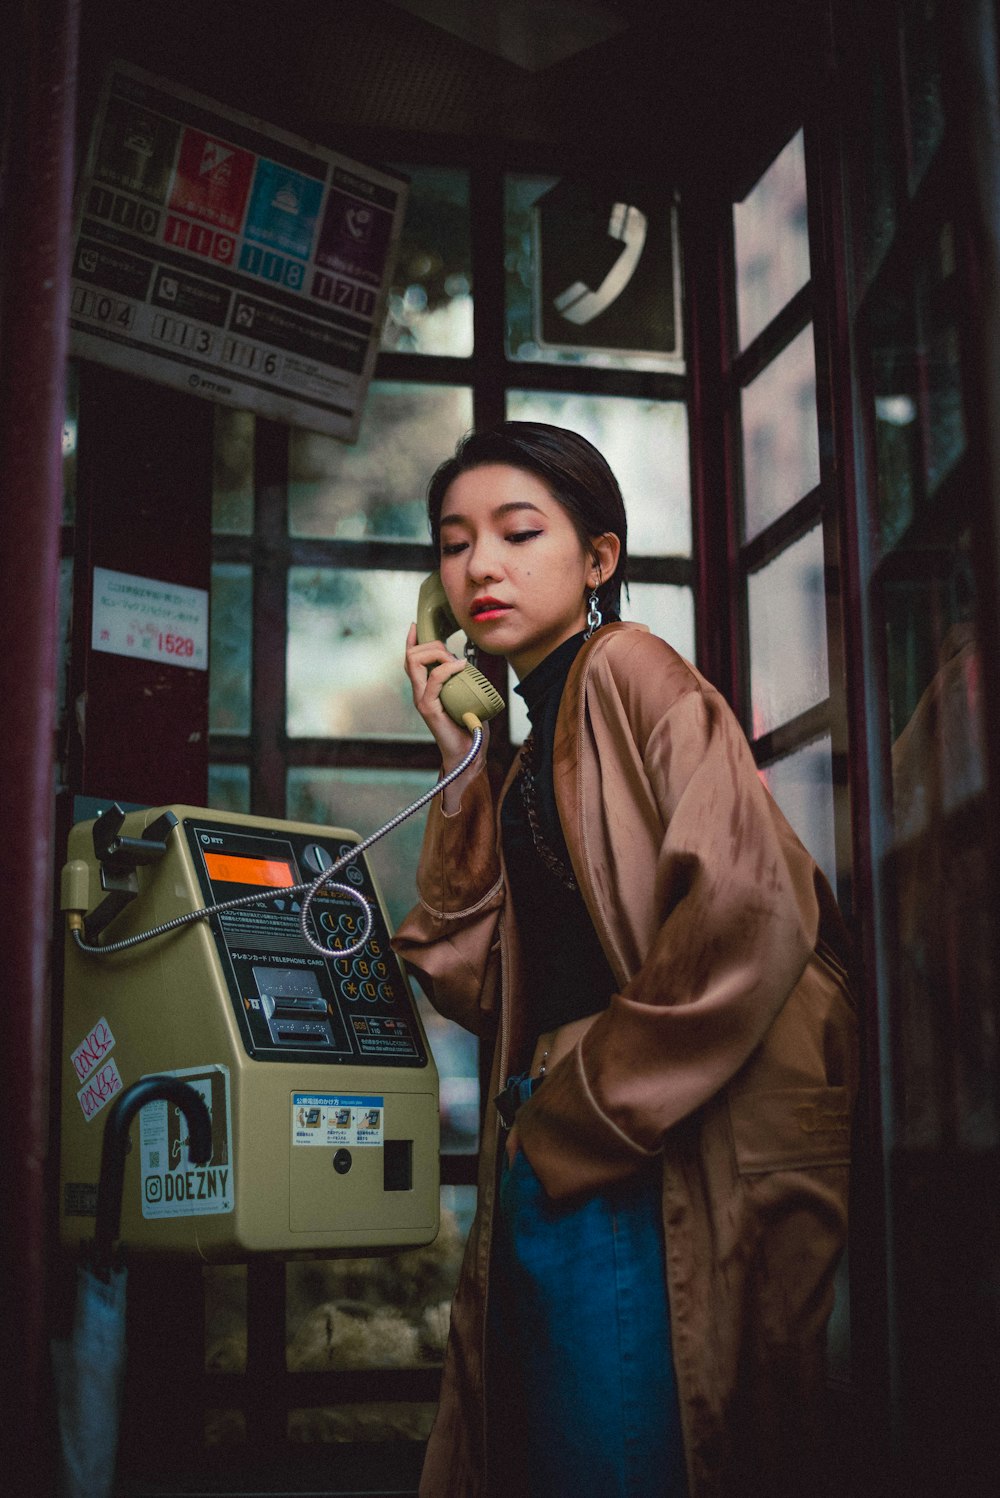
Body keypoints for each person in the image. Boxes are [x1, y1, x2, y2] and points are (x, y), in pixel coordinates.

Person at [393, 421, 858, 1498]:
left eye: (517, 532)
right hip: (564, 1131)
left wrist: (593, 1097)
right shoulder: (521, 745)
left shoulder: (627, 667)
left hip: (632, 1136)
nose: (480, 567)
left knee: (617, 1454)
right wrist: (462, 759)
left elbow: (750, 896)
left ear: (598, 558)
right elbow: (472, 977)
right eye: (454, 543)